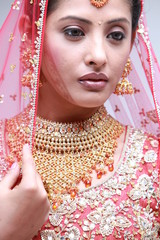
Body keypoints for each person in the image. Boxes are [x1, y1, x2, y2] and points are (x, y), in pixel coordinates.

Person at [0, 0, 160, 239]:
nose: (98, 56)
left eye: (116, 35)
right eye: (74, 32)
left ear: (132, 39)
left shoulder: (153, 164)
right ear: (32, 33)